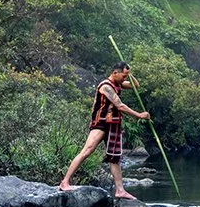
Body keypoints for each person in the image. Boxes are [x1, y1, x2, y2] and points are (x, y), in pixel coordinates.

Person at [59, 62, 149, 199]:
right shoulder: (106, 86)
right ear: (115, 73)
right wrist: (139, 115)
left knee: (114, 158)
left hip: (114, 124)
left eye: (126, 77)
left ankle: (120, 190)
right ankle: (65, 182)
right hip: (101, 123)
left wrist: (129, 74)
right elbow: (120, 106)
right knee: (87, 150)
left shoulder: (118, 83)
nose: (125, 79)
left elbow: (136, 86)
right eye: (123, 76)